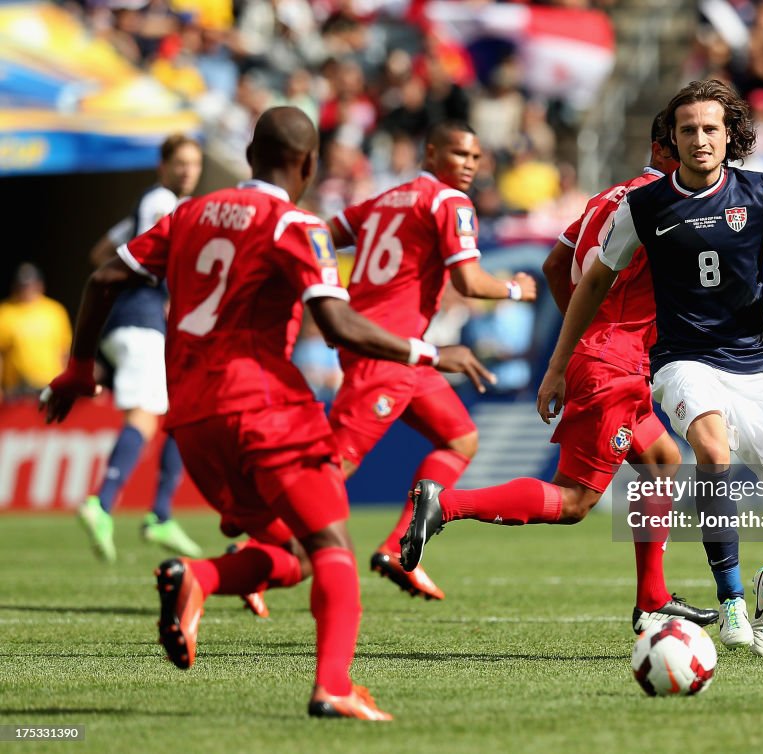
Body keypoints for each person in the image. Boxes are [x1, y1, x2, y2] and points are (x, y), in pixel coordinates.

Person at [42, 106, 493, 719]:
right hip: (264, 409)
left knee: (296, 553)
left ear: (251, 155)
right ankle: (334, 687)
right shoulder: (295, 224)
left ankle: (200, 578)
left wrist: (76, 372)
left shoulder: (188, 213)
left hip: (193, 422)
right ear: (307, 165)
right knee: (332, 543)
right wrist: (428, 351)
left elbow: (101, 280)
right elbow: (338, 326)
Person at [524, 79, 763, 657]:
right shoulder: (644, 205)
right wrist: (556, 365)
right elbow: (593, 279)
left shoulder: (761, 193)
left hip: (752, 363)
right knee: (713, 452)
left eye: (710, 129)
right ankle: (729, 600)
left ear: (730, 137)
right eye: (688, 130)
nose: (700, 139)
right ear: (671, 140)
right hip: (682, 359)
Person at [395, 114, 719, 634]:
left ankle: (653, 598)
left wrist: (581, 339)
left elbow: (553, 265)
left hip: (608, 357)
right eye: (688, 139)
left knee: (662, 459)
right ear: (665, 149)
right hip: (615, 364)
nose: (702, 149)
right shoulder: (667, 206)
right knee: (573, 501)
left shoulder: (607, 197)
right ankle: (448, 504)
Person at [326, 120, 538, 601]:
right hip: (388, 350)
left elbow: (323, 233)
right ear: (430, 152)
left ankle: (395, 549)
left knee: (460, 438)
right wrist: (514, 289)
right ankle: (254, 555)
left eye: (476, 157)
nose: (469, 164)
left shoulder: (384, 200)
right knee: (333, 468)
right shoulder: (448, 202)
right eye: (460, 153)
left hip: (398, 350)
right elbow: (468, 282)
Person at [78, 134, 204, 563]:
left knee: (178, 412)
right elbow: (162, 251)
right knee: (147, 417)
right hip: (142, 322)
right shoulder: (162, 201)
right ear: (162, 165)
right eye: (180, 162)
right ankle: (103, 503)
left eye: (194, 164)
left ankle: (161, 514)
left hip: (127, 321)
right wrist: (165, 289)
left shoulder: (146, 203)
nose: (188, 171)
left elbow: (100, 251)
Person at [0, 263, 71, 402]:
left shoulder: (55, 311)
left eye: (31, 285)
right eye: (23, 285)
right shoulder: (4, 312)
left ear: (40, 285)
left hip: (50, 386)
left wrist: (68, 385)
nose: (27, 289)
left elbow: (65, 352)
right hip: (16, 390)